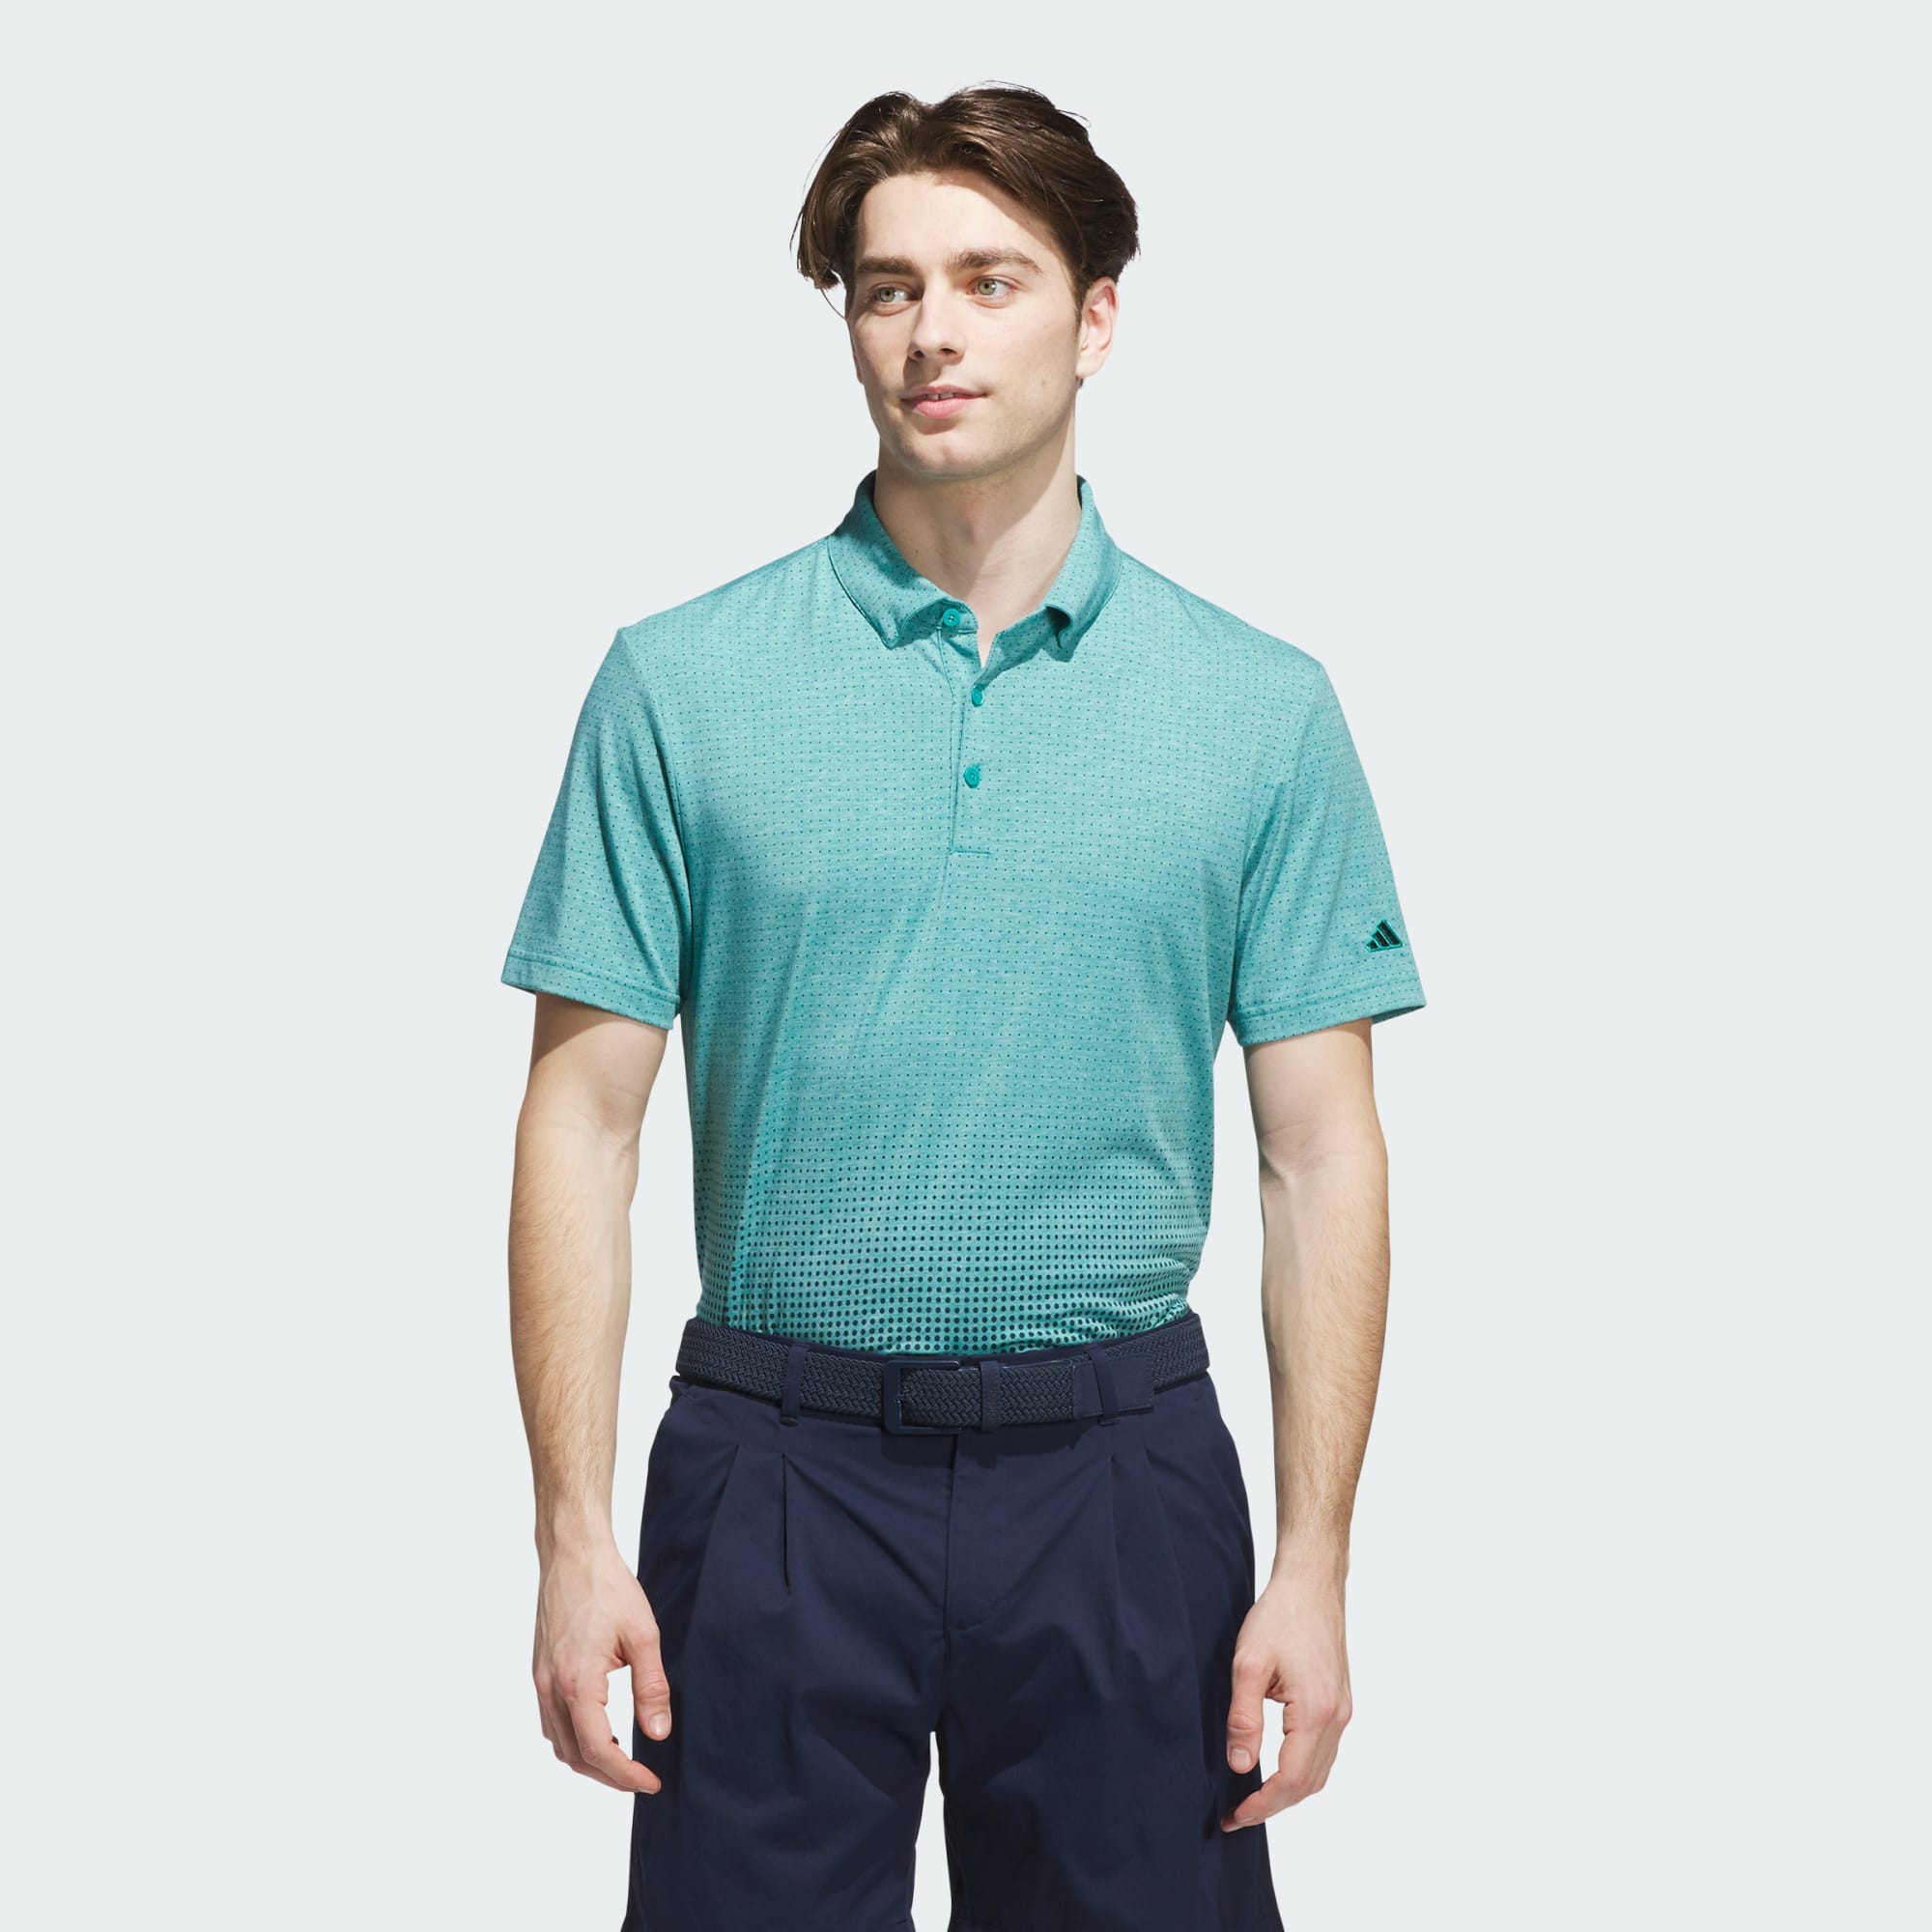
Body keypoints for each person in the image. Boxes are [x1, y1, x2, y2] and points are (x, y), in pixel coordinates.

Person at [499, 81, 1426, 1932]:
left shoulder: (1257, 708)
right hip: (772, 1471)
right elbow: (581, 1124)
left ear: (1096, 316)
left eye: (992, 280)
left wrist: (1316, 1562)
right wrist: (572, 1533)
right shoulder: (681, 685)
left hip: (1122, 1482)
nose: (933, 331)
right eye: (887, 286)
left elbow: (1320, 1154)